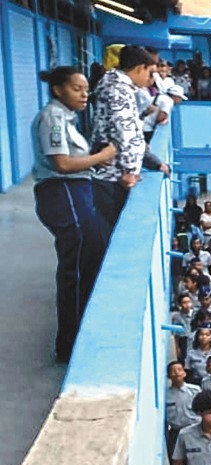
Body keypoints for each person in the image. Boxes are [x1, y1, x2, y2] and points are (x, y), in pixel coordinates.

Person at [32, 66, 118, 362]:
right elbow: (62, 164)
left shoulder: (66, 117)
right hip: (62, 191)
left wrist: (94, 161)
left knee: (91, 257)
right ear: (58, 90)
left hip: (75, 191)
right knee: (79, 265)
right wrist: (102, 156)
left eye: (86, 89)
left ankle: (81, 332)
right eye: (76, 88)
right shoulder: (53, 118)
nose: (84, 94)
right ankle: (70, 342)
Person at [90, 45, 155, 230]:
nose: (149, 78)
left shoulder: (115, 84)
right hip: (114, 174)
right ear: (140, 68)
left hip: (114, 171)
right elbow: (124, 131)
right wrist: (129, 171)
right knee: (113, 226)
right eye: (149, 72)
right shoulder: (118, 90)